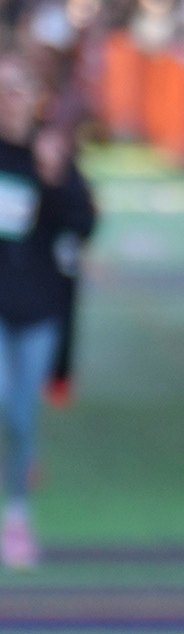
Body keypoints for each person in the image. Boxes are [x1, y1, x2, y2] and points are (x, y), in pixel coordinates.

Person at [0, 48, 94, 571]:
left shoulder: (50, 154)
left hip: (38, 308)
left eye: (16, 89)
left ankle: (17, 514)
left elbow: (83, 225)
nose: (8, 100)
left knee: (21, 413)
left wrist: (55, 179)